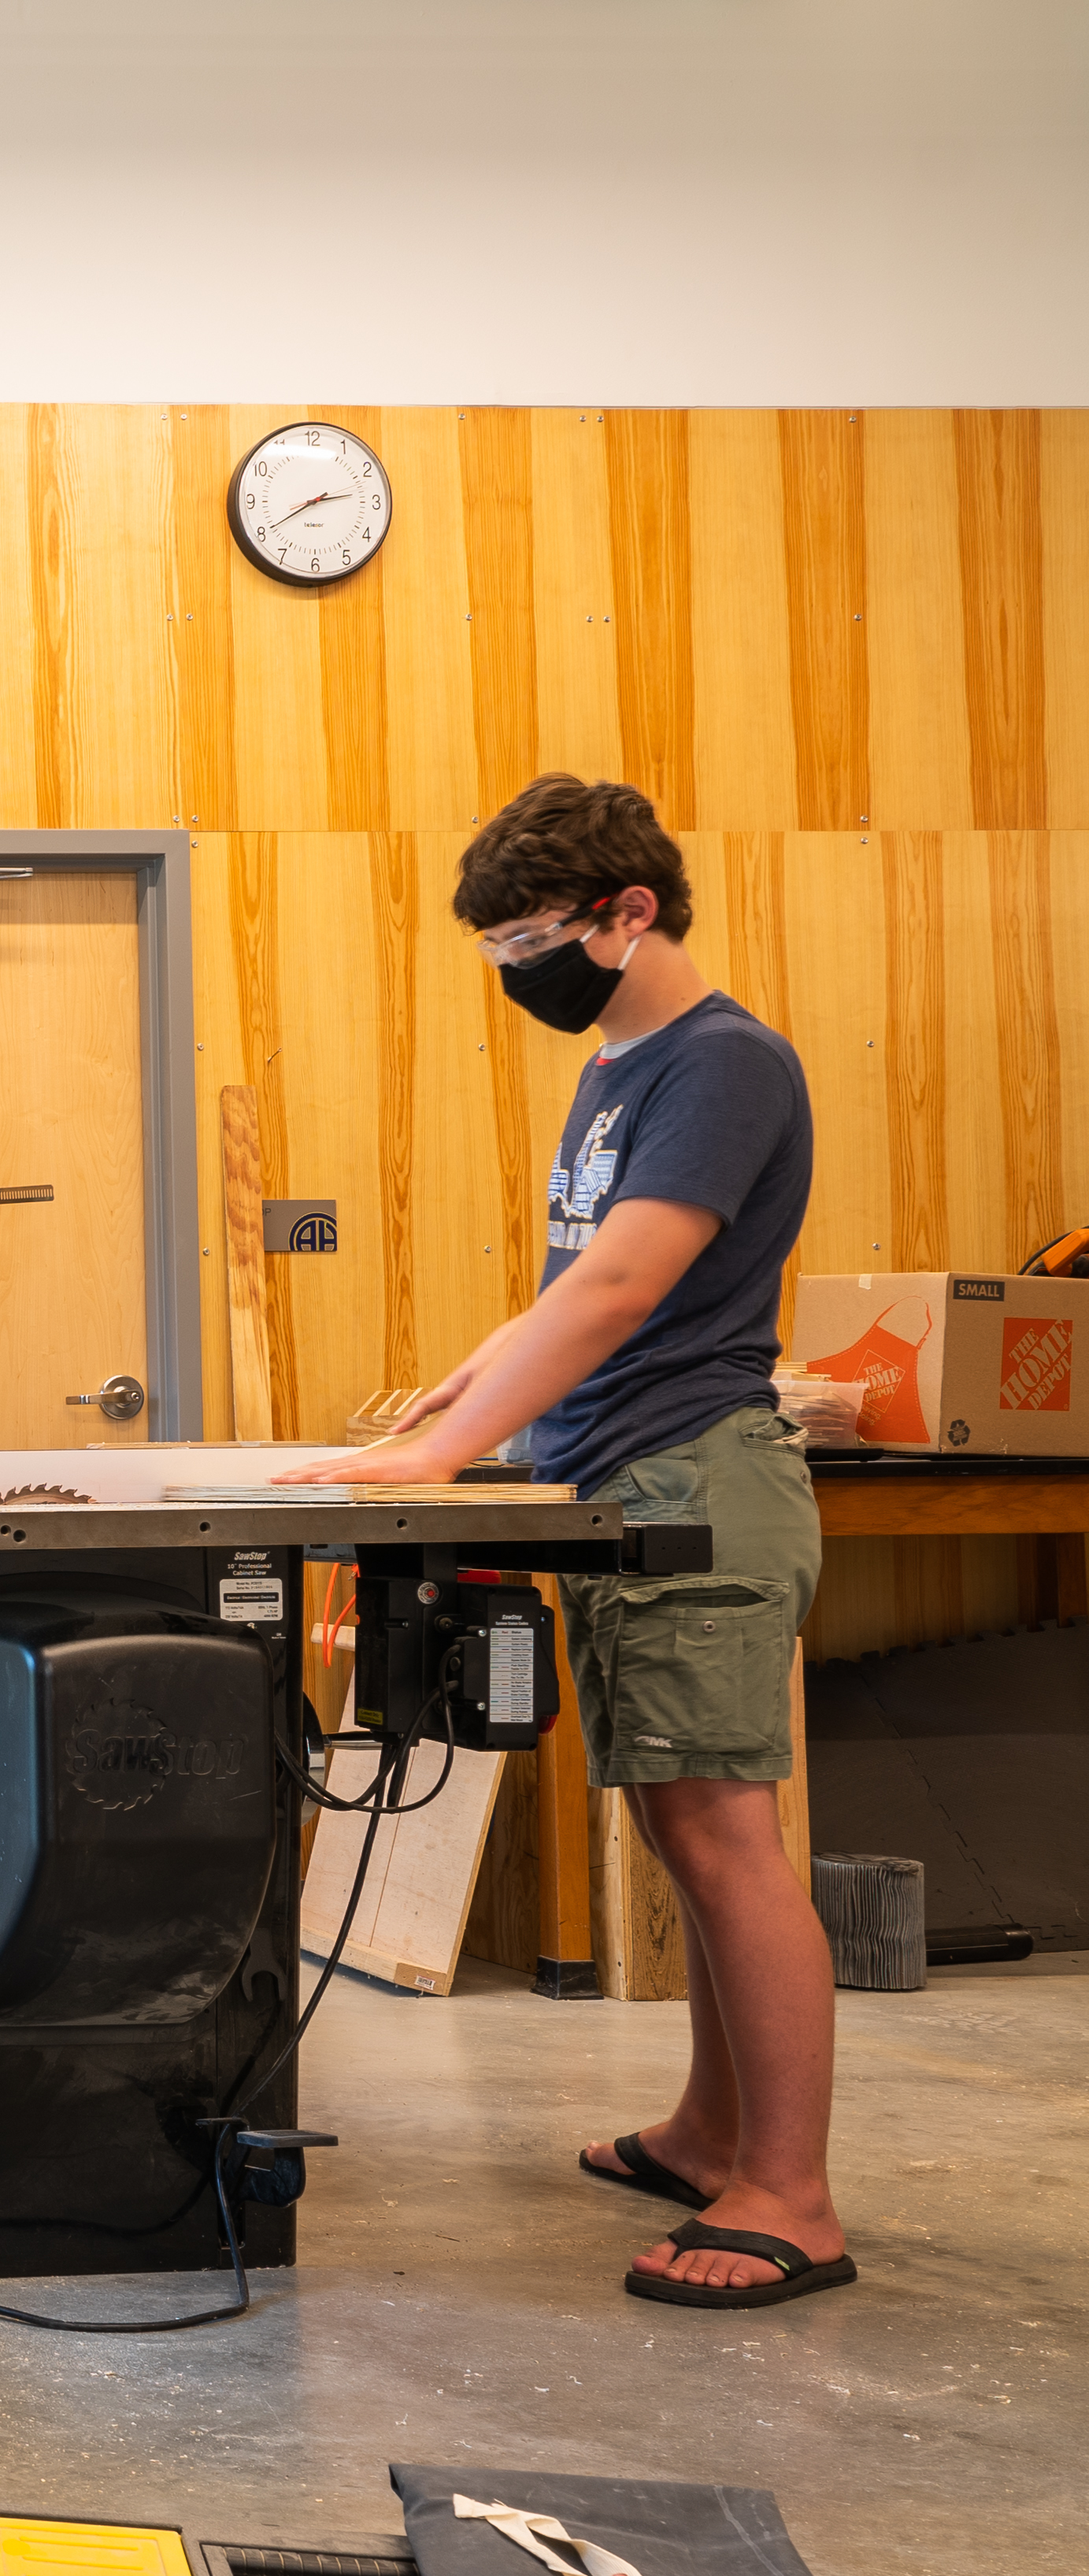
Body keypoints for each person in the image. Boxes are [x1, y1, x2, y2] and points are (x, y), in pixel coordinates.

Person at [278, 774, 839, 2310]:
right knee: (678, 1828)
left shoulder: (724, 1064)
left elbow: (621, 1294)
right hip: (623, 1481)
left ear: (627, 911)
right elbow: (557, 1291)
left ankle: (790, 2190)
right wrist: (443, 1406)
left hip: (697, 1482)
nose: (519, 969)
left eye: (533, 937)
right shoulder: (618, 1067)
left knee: (727, 1842)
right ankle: (710, 2127)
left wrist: (438, 1455)